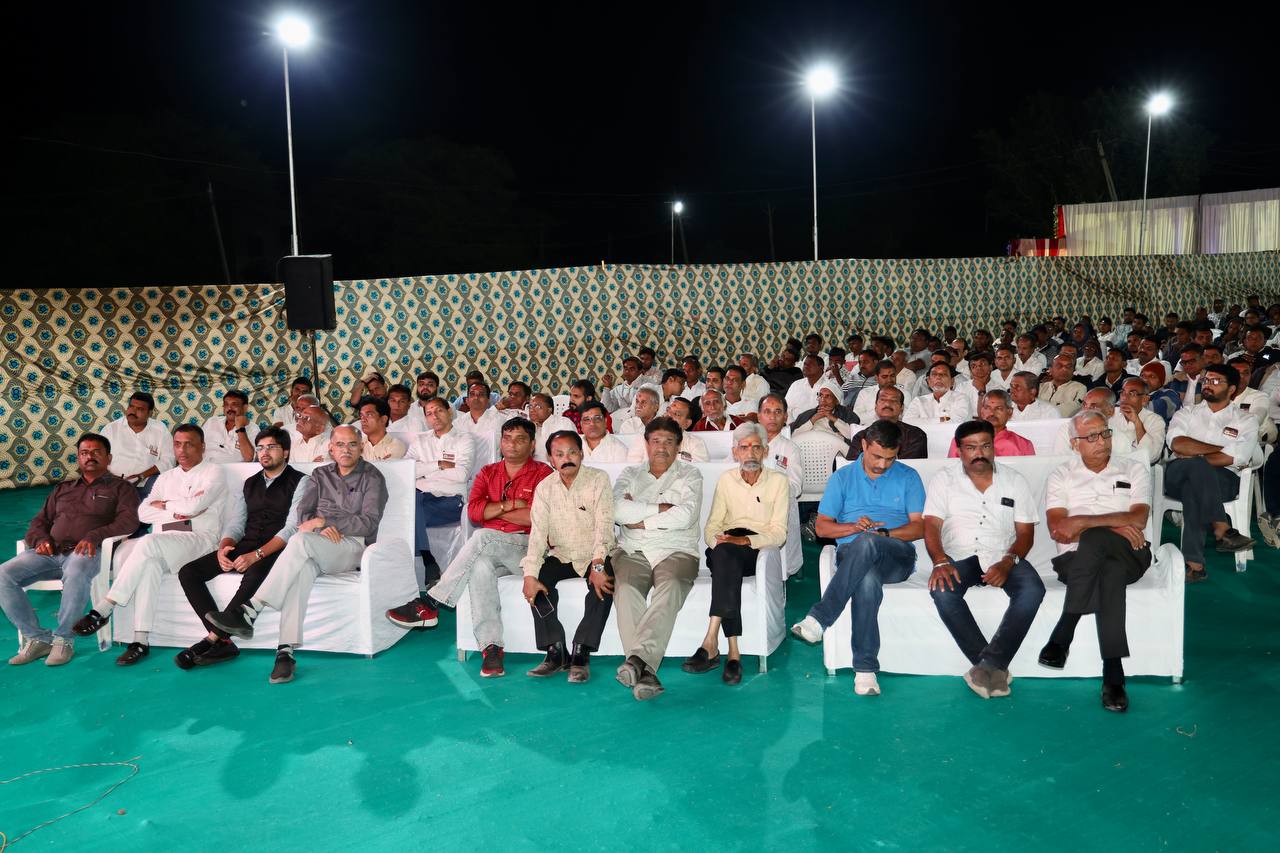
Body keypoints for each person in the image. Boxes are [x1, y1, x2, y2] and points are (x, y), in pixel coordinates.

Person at [206, 425, 388, 684]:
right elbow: (303, 514)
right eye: (340, 444)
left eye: (352, 444)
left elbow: (368, 522)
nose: (346, 449)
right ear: (331, 448)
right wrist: (317, 526)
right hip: (316, 542)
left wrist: (325, 522)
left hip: (352, 546)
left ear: (361, 447)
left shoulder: (372, 477)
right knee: (299, 571)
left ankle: (251, 608)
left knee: (299, 541)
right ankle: (285, 652)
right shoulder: (320, 475)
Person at [391, 418, 552, 677]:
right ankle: (491, 648)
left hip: (527, 550)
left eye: (520, 439)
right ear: (500, 443)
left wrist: (494, 511)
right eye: (507, 438)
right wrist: (511, 506)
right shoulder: (488, 472)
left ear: (532, 445)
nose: (512, 444)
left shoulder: (543, 474)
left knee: (483, 536)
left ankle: (431, 601)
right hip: (491, 549)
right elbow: (475, 513)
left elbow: (536, 518)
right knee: (479, 566)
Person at [73, 425, 228, 666]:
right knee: (149, 564)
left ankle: (105, 606)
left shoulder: (214, 472)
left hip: (201, 540)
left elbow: (194, 508)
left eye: (189, 444)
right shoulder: (166, 477)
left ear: (202, 447)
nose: (182, 450)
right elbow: (143, 513)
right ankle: (140, 641)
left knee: (148, 542)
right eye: (177, 444)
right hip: (166, 541)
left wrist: (165, 505)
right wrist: (179, 509)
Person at [791, 420, 926, 696]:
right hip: (852, 554)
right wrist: (854, 528)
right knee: (866, 580)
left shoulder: (909, 476)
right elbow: (822, 528)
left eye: (890, 458)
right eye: (877, 456)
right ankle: (865, 670)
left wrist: (883, 534)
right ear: (863, 445)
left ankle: (819, 619)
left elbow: (919, 527)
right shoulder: (842, 478)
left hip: (896, 554)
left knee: (869, 541)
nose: (882, 465)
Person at [1038, 411, 1152, 713]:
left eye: (1105, 433)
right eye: (1091, 436)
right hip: (1075, 560)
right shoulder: (1062, 475)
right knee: (1108, 569)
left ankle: (1064, 630)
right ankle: (1113, 675)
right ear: (1075, 444)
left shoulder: (1133, 469)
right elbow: (1059, 529)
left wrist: (1083, 522)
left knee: (1094, 539)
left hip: (1131, 552)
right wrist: (1114, 525)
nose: (1101, 441)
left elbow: (1139, 519)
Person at [173, 427, 309, 669]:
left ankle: (212, 640)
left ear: (286, 452)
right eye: (260, 448)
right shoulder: (249, 483)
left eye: (271, 447)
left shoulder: (301, 481)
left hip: (277, 549)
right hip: (246, 544)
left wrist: (256, 555)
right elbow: (236, 523)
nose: (264, 452)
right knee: (188, 572)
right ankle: (224, 641)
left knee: (255, 574)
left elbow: (292, 528)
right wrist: (224, 548)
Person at [926, 420, 1043, 698]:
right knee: (942, 591)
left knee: (1033, 589)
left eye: (985, 446)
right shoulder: (944, 479)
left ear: (994, 447)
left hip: (1003, 555)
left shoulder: (1014, 480)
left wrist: (1008, 562)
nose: (979, 453)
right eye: (971, 447)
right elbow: (931, 525)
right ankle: (991, 667)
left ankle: (987, 666)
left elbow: (1025, 534)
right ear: (959, 450)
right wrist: (939, 560)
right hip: (960, 556)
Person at [1, 434, 139, 667]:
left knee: (75, 571)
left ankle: (64, 639)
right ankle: (37, 638)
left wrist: (95, 535)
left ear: (109, 458)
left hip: (87, 553)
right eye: (84, 453)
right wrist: (41, 539)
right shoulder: (63, 489)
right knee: (3, 574)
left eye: (96, 452)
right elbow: (39, 522)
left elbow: (129, 521)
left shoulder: (121, 488)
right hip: (51, 553)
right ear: (78, 458)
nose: (89, 457)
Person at [682, 423, 789, 685]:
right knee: (725, 558)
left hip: (756, 550)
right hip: (726, 547)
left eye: (756, 447)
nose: (750, 453)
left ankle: (711, 642)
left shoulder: (778, 482)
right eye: (744, 447)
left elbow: (779, 533)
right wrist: (717, 541)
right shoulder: (726, 480)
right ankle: (732, 652)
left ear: (765, 451)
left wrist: (746, 540)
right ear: (735, 452)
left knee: (726, 562)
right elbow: (712, 526)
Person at [612, 417, 704, 701]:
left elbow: (685, 516)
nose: (661, 447)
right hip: (633, 549)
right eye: (656, 441)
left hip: (677, 549)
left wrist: (641, 518)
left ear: (678, 445)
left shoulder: (690, 475)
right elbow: (617, 511)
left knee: (671, 586)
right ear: (646, 444)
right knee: (625, 590)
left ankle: (637, 661)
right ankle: (646, 671)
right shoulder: (630, 474)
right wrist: (660, 508)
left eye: (668, 441)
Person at [519, 431, 616, 682]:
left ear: (581, 454)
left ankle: (581, 651)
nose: (567, 458)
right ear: (551, 459)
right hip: (562, 555)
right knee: (537, 581)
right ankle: (555, 651)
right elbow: (537, 535)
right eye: (559, 454)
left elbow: (604, 526)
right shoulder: (545, 488)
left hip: (596, 554)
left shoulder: (598, 479)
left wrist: (597, 565)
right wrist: (529, 574)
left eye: (572, 452)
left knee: (604, 583)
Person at [385, 397, 476, 626]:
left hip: (451, 501)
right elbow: (407, 471)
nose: (434, 416)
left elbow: (461, 475)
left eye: (438, 411)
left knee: (410, 506)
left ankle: (425, 563)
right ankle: (427, 562)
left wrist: (424, 472)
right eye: (429, 413)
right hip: (423, 499)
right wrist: (438, 465)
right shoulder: (420, 440)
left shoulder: (464, 438)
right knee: (410, 501)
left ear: (450, 412)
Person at [1165, 364, 1258, 582]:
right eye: (1206, 380)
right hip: (1178, 474)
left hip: (1223, 479)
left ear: (1232, 389)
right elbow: (1178, 444)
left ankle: (1195, 566)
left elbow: (1236, 457)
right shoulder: (1186, 412)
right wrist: (1221, 449)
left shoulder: (1246, 420)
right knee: (1195, 470)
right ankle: (1221, 527)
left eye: (1215, 381)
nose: (1208, 384)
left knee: (1194, 487)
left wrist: (1195, 454)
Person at [99, 391, 175, 498]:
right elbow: (98, 457)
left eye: (140, 409)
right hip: (113, 481)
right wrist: (113, 478)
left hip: (146, 481)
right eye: (131, 407)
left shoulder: (160, 430)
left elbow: (169, 460)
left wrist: (142, 476)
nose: (133, 412)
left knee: (163, 486)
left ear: (150, 413)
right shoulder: (111, 429)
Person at [948, 390, 1034, 457]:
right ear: (982, 412)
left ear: (1009, 412)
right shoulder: (961, 440)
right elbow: (951, 471)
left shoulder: (1023, 445)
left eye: (998, 408)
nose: (992, 413)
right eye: (987, 408)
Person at [848, 388, 927, 460]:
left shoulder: (915, 435)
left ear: (902, 408)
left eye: (894, 400)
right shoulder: (861, 436)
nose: (888, 404)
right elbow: (853, 466)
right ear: (875, 406)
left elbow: (911, 466)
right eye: (883, 399)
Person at [630, 396, 709, 462]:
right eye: (668, 410)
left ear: (687, 423)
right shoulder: (643, 439)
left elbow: (700, 471)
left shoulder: (695, 444)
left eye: (676, 414)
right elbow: (632, 469)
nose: (668, 415)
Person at [904, 363, 975, 425]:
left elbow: (956, 422)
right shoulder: (919, 401)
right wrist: (941, 419)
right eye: (934, 374)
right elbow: (907, 421)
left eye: (944, 374)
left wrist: (923, 421)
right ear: (928, 381)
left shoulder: (961, 399)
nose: (938, 377)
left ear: (952, 381)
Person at [201, 390, 255, 463]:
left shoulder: (253, 428)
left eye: (234, 404)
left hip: (235, 469)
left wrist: (240, 428)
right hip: (207, 467)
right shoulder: (212, 422)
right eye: (226, 404)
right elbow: (196, 446)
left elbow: (249, 458)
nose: (229, 408)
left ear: (245, 408)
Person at [852, 360, 908, 426]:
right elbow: (856, 418)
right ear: (876, 378)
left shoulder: (904, 393)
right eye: (884, 377)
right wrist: (882, 411)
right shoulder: (865, 393)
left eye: (892, 376)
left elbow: (907, 418)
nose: (889, 380)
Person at [790, 385, 854, 440]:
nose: (823, 400)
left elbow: (852, 436)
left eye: (828, 396)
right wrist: (813, 420)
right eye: (820, 395)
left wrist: (831, 417)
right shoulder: (808, 415)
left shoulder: (846, 414)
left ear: (836, 401)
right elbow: (794, 436)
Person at [527, 394, 576, 463]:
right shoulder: (527, 427)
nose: (532, 410)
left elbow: (572, 451)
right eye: (530, 406)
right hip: (534, 467)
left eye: (537, 406)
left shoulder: (563, 423)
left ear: (549, 410)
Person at [355, 396, 407, 460]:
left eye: (369, 415)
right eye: (361, 415)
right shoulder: (357, 444)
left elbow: (384, 467)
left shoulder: (396, 446)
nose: (363, 420)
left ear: (383, 419)